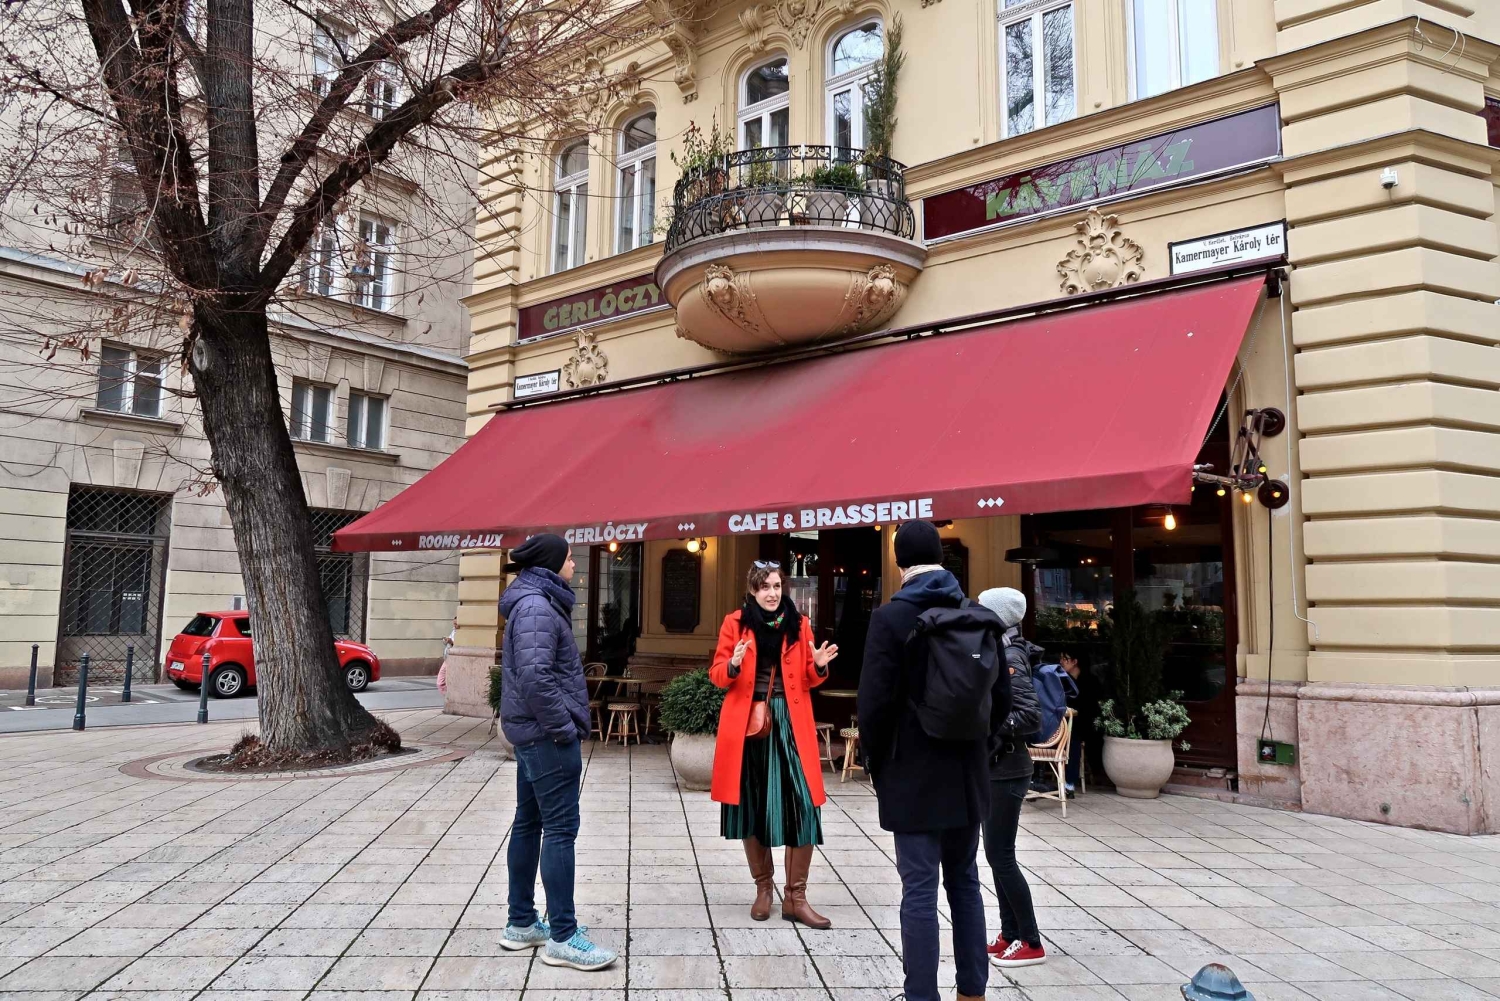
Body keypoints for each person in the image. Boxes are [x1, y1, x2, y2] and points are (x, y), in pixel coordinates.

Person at [858, 521, 1011, 1001]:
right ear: (942, 559)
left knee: (920, 890)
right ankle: (973, 994)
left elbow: (874, 705)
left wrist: (875, 762)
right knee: (965, 883)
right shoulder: (977, 615)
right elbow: (1002, 701)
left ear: (899, 562)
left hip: (911, 773)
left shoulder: (889, 619)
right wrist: (980, 749)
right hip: (966, 773)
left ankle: (921, 995)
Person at [497, 534, 616, 971]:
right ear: (551, 563)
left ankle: (522, 923)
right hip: (546, 738)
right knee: (560, 829)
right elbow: (535, 677)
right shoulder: (537, 607)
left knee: (529, 823)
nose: (574, 565)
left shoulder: (536, 602)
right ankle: (563, 936)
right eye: (569, 558)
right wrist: (564, 729)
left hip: (534, 735)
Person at [710, 561, 839, 927]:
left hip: (791, 722)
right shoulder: (734, 624)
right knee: (753, 804)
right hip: (750, 725)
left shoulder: (799, 624)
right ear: (753, 591)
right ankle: (763, 889)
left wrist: (818, 665)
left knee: (804, 804)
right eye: (764, 587)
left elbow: (809, 678)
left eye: (777, 586)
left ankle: (796, 897)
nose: (772, 593)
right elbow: (717, 675)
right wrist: (733, 665)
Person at [976, 588, 1047, 969]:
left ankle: (1031, 941)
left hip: (1008, 769)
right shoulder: (999, 648)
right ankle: (1009, 932)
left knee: (1001, 856)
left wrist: (985, 726)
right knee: (995, 854)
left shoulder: (1010, 655)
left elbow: (1029, 716)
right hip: (998, 767)